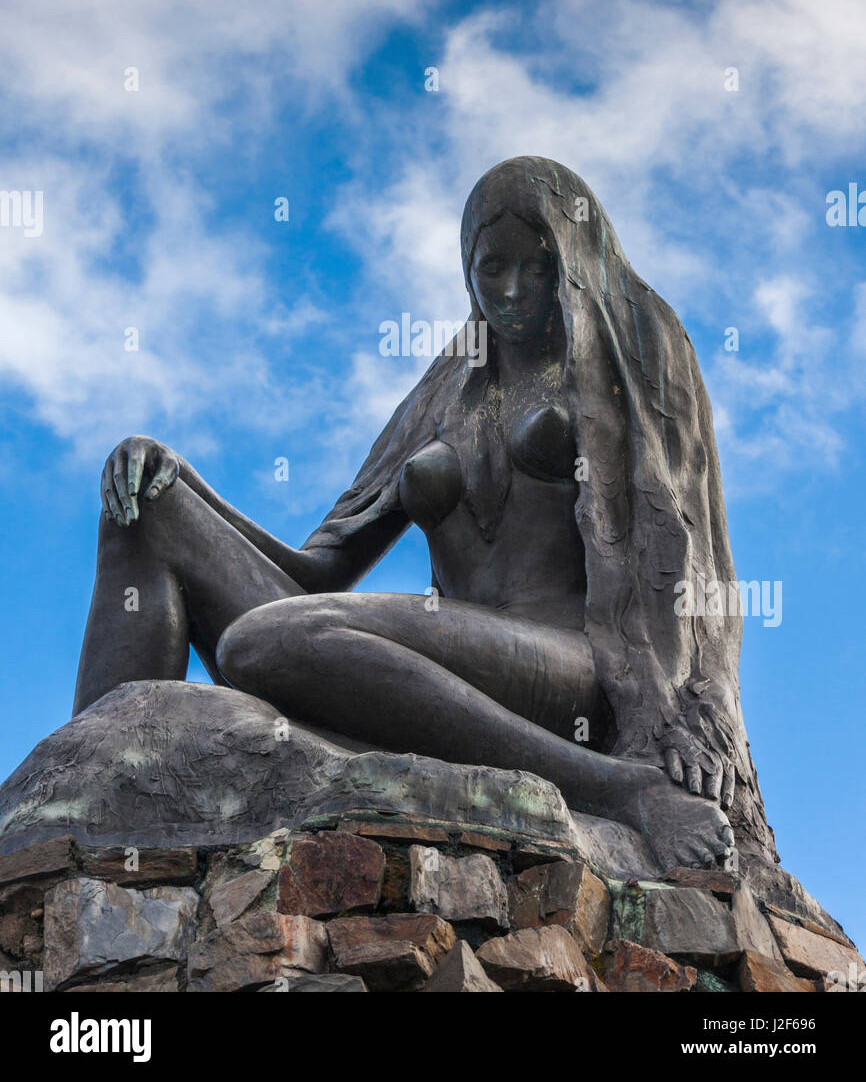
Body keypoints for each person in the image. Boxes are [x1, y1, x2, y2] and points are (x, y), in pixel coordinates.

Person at [78, 157, 775, 870]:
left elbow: (691, 547)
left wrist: (699, 701)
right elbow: (319, 570)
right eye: (489, 269)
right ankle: (88, 813)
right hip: (447, 650)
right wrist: (183, 481)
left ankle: (621, 789)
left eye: (534, 269)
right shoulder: (448, 385)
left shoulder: (634, 343)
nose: (509, 291)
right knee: (145, 508)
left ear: (572, 260)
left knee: (264, 643)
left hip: (573, 664)